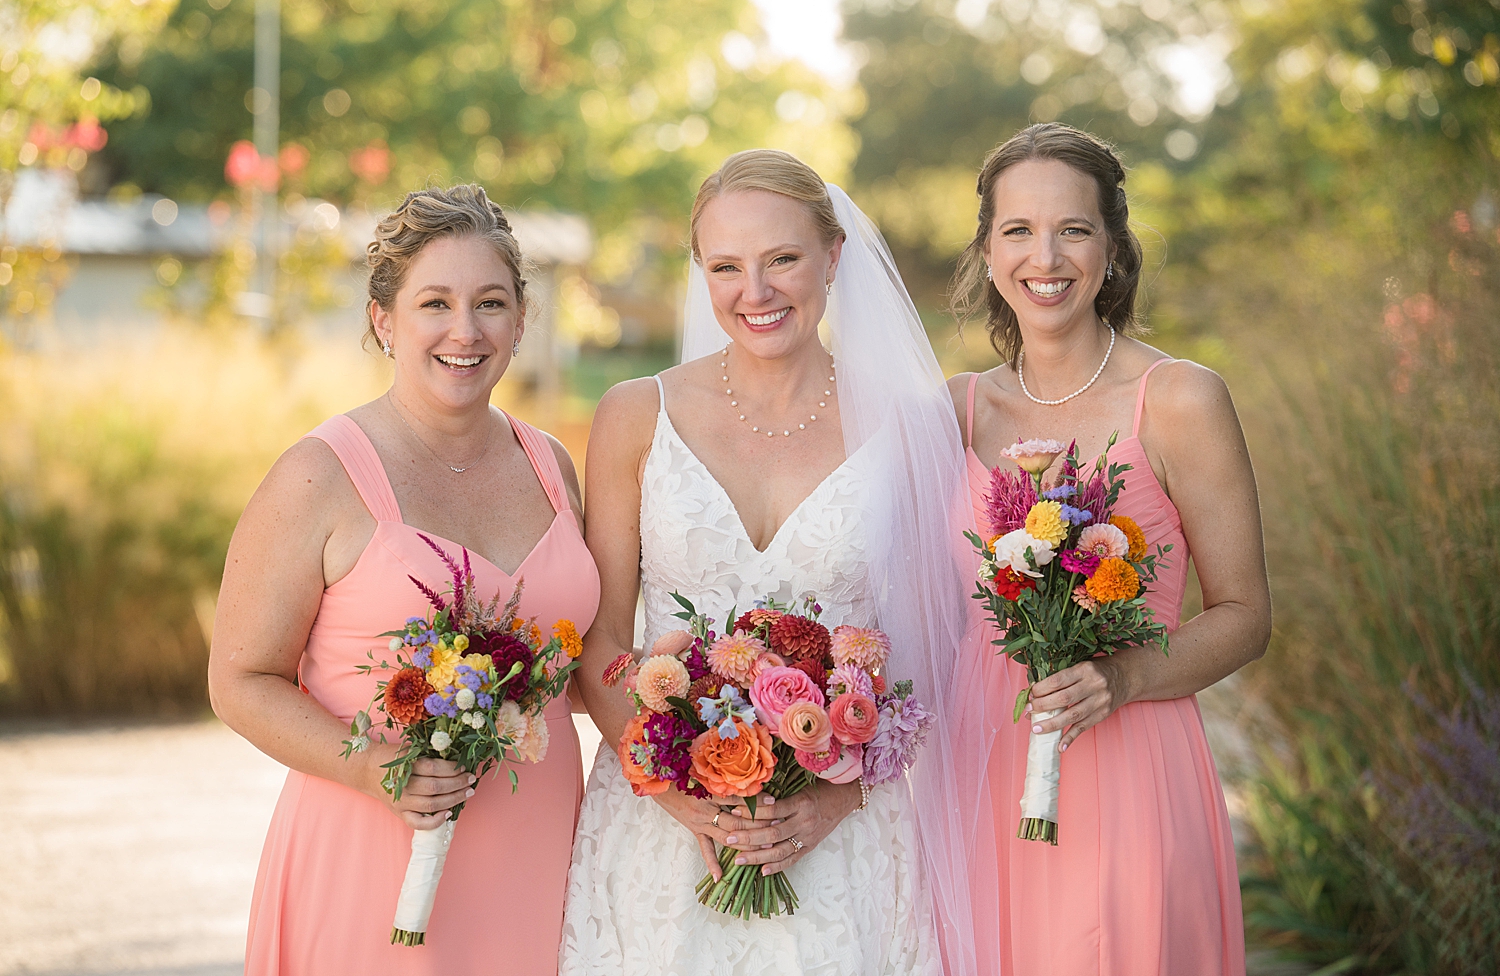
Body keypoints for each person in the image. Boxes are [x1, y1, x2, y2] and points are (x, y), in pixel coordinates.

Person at [559, 150, 982, 975]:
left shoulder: (907, 423)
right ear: (701, 274)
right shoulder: (635, 414)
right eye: (726, 267)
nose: (755, 292)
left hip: (842, 838)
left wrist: (836, 797)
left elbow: (944, 646)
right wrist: (688, 800)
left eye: (782, 259)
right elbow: (601, 644)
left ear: (832, 255)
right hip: (659, 833)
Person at [209, 185, 599, 975]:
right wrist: (376, 767)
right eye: (435, 303)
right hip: (372, 854)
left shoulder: (550, 465)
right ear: (384, 320)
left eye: (491, 302)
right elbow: (240, 679)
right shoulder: (319, 476)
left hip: (538, 857)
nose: (466, 330)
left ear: (521, 319)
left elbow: (578, 671)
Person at [948, 123, 1271, 975]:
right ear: (987, 251)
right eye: (1017, 230)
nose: (1043, 256)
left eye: (1074, 229)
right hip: (977, 771)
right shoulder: (951, 412)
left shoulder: (1179, 400)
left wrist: (1123, 677)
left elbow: (1244, 615)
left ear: (1113, 250)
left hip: (1130, 764)